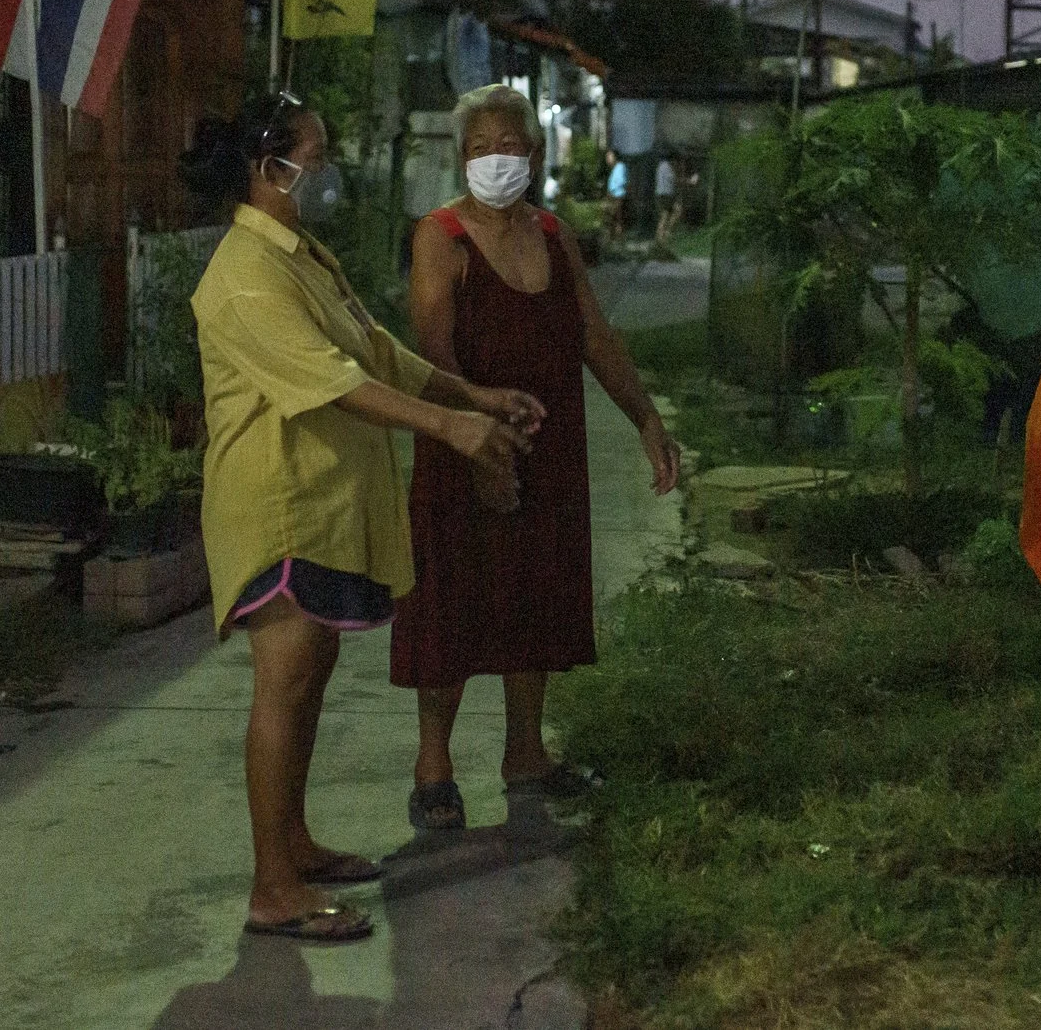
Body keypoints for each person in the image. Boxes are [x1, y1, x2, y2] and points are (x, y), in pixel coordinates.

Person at [183, 94, 545, 944]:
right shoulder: (243, 274)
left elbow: (376, 350)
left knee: (308, 674)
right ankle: (273, 886)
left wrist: (472, 394)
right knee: (286, 677)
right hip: (278, 504)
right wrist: (452, 426)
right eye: (318, 151)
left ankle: (294, 844)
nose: (330, 166)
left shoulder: (299, 255)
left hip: (324, 505)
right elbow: (331, 379)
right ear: (271, 165)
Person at [391, 85, 682, 827]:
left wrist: (645, 417)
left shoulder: (552, 233)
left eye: (511, 146)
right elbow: (435, 354)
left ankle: (526, 751)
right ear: (462, 158)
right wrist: (480, 446)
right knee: (452, 600)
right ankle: (433, 768)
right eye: (483, 147)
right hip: (463, 443)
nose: (498, 159)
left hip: (549, 447)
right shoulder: (441, 235)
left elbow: (593, 334)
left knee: (534, 594)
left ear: (535, 153)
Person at [653, 155, 680, 247]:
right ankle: (662, 238)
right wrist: (689, 181)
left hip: (664, 194)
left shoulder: (660, 166)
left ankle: (663, 236)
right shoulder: (667, 167)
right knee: (665, 216)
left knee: (671, 213)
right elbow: (673, 179)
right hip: (665, 195)